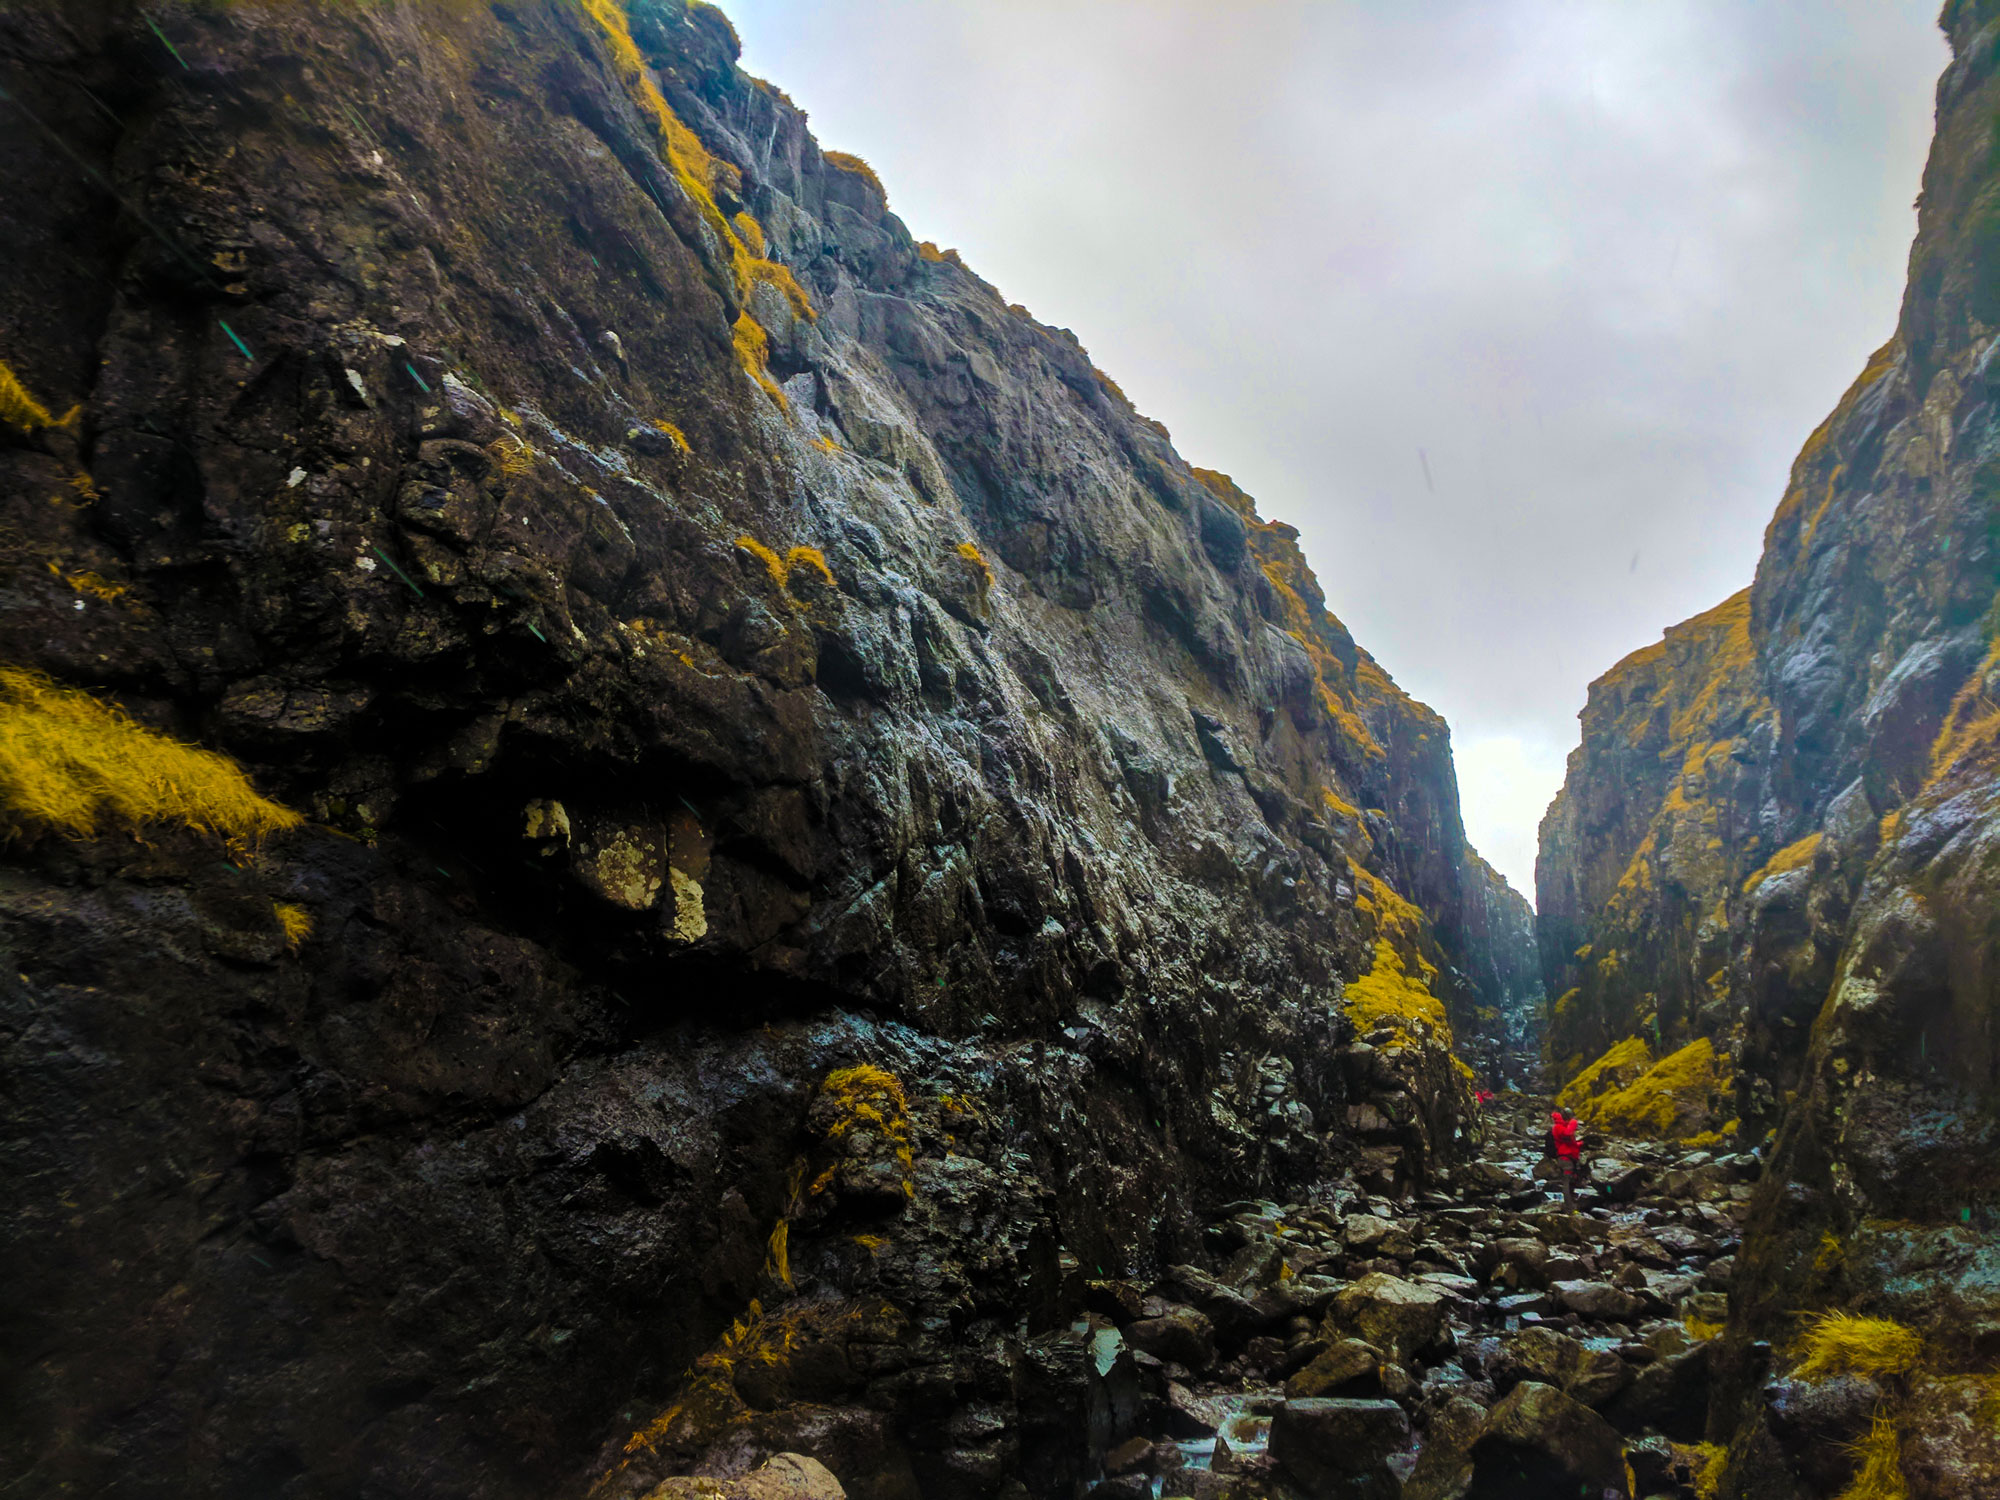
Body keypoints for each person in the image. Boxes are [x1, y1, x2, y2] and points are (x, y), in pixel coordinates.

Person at [1549, 1106, 1582, 1205]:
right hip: (1565, 1158)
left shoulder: (1561, 1127)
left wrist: (1579, 1144)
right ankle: (1569, 1207)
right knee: (1567, 1181)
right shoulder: (1559, 1127)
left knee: (1572, 1180)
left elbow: (1570, 1142)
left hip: (1568, 1157)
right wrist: (1573, 1123)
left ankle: (1572, 1202)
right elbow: (1567, 1136)